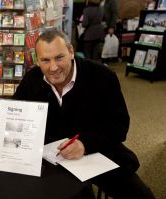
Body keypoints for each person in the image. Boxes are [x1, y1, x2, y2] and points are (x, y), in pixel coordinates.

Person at [13, 29, 155, 199]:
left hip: (99, 153)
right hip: (53, 161)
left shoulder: (102, 76)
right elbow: (15, 115)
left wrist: (85, 144)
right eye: (45, 60)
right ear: (37, 60)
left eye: (59, 57)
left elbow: (119, 126)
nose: (53, 67)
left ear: (71, 52)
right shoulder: (32, 79)